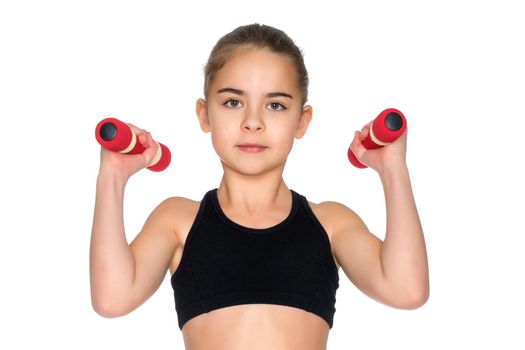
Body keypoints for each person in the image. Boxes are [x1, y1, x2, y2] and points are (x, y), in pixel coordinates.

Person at [90, 23, 429, 350]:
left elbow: (406, 290)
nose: (253, 122)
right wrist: (113, 175)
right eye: (233, 102)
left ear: (301, 121)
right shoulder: (178, 220)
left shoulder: (331, 225)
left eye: (275, 105)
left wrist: (392, 167)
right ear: (205, 115)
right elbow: (112, 299)